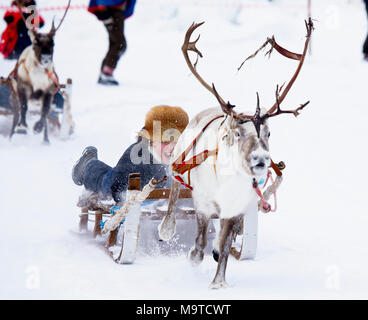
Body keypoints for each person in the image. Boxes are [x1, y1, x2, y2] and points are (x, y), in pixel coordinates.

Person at [72, 105, 189, 204]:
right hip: (116, 182)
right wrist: (120, 198)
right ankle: (89, 162)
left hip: (151, 196)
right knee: (101, 180)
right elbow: (119, 182)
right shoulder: (138, 153)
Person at [88, 0, 137, 85]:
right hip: (111, 10)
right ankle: (106, 72)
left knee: (115, 43)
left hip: (118, 10)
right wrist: (102, 10)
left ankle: (104, 72)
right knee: (120, 44)